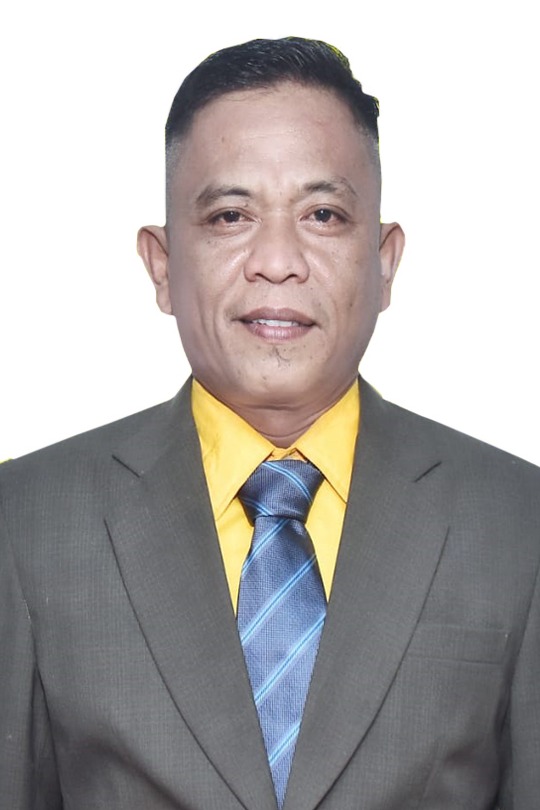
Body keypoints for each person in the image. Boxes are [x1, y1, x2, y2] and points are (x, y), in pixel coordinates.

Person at [1, 36, 539, 810]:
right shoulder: (24, 524)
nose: (277, 260)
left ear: (384, 261)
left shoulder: (519, 524)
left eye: (323, 214)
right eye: (230, 215)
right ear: (162, 265)